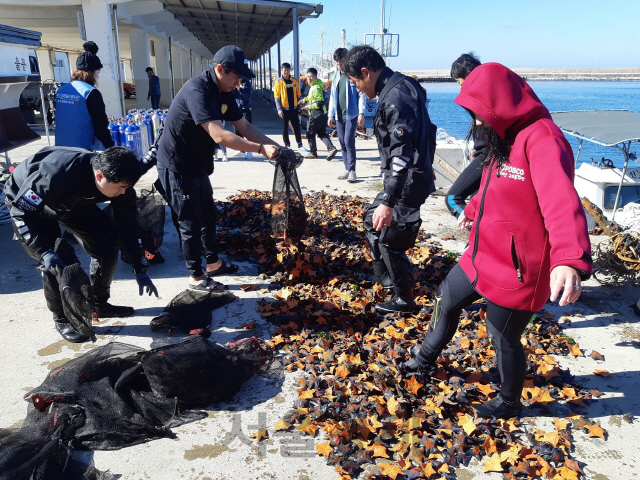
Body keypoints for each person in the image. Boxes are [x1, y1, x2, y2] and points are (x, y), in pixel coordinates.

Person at [401, 63, 593, 419]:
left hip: (521, 265)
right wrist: (472, 208)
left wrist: (568, 258)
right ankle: (424, 358)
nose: (476, 123)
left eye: (478, 114)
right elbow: (493, 182)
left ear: (498, 105)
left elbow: (561, 202)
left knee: (501, 334)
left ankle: (509, 401)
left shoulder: (543, 139)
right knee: (447, 296)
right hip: (483, 250)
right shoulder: (502, 135)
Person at [155, 45, 279, 292]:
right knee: (189, 221)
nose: (238, 84)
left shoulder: (226, 91)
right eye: (236, 78)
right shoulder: (197, 90)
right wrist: (259, 150)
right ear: (220, 69)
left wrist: (276, 147)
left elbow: (243, 126)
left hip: (198, 163)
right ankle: (196, 278)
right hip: (177, 164)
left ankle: (213, 264)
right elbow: (219, 135)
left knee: (208, 216)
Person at [4, 146, 159, 343]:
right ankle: (62, 318)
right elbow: (21, 211)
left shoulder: (120, 187)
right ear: (100, 175)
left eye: (127, 187)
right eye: (120, 187)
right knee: (55, 259)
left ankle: (98, 303)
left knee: (107, 245)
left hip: (74, 201)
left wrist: (139, 265)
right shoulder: (55, 175)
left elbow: (126, 227)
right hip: (31, 204)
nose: (123, 192)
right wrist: (43, 251)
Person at [342, 45, 437, 314]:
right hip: (412, 174)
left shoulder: (394, 98)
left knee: (389, 235)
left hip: (406, 178)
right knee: (371, 221)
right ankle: (385, 279)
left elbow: (400, 154)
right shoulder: (406, 85)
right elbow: (426, 131)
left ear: (366, 72)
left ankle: (404, 300)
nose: (358, 89)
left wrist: (389, 201)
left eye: (355, 82)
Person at [445, 53, 486, 218]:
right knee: (480, 201)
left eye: (458, 82)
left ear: (468, 75)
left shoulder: (479, 97)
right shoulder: (489, 93)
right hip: (484, 153)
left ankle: (476, 233)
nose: (460, 86)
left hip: (487, 157)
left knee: (453, 199)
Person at [55, 41, 114, 151]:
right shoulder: (91, 93)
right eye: (98, 72)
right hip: (81, 148)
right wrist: (110, 146)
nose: (98, 76)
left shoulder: (61, 90)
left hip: (60, 146)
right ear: (91, 73)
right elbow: (100, 125)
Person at [327, 48, 366, 183]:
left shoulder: (353, 75)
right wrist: (330, 115)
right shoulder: (336, 76)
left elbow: (361, 94)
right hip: (338, 114)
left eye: (341, 61)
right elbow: (332, 97)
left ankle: (353, 171)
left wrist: (362, 112)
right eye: (337, 62)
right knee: (342, 142)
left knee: (349, 142)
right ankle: (346, 169)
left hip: (352, 114)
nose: (338, 64)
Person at [299, 68, 337, 160]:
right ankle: (331, 148)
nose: (309, 78)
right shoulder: (316, 85)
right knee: (321, 133)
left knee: (310, 133)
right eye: (308, 76)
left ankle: (313, 152)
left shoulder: (315, 87)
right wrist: (305, 100)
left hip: (316, 114)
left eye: (311, 76)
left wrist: (309, 107)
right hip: (322, 114)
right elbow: (312, 96)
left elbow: (320, 102)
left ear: (316, 77)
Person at [273, 62, 306, 152]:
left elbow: (298, 95)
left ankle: (300, 145)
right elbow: (276, 97)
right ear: (282, 71)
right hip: (284, 110)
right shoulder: (278, 82)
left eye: (287, 70)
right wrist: (279, 109)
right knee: (285, 129)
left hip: (294, 109)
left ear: (289, 70)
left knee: (296, 127)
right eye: (284, 70)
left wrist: (300, 104)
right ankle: (287, 145)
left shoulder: (294, 81)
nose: (286, 72)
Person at [236, 79, 254, 159]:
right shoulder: (233, 80)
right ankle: (241, 150)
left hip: (246, 109)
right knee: (237, 131)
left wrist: (240, 88)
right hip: (236, 109)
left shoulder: (247, 82)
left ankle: (250, 151)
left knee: (247, 131)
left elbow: (248, 95)